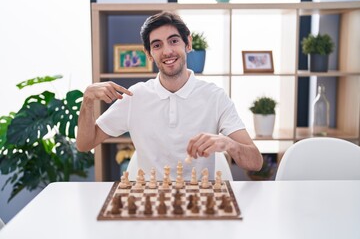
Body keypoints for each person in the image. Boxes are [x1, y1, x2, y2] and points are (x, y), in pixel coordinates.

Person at [76, 11, 263, 180]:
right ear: (149, 54)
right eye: (157, 45)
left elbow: (256, 162)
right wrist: (88, 100)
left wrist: (228, 143)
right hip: (151, 205)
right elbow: (85, 144)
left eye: (173, 41)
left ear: (188, 43)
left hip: (200, 204)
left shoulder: (215, 96)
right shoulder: (135, 96)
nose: (167, 51)